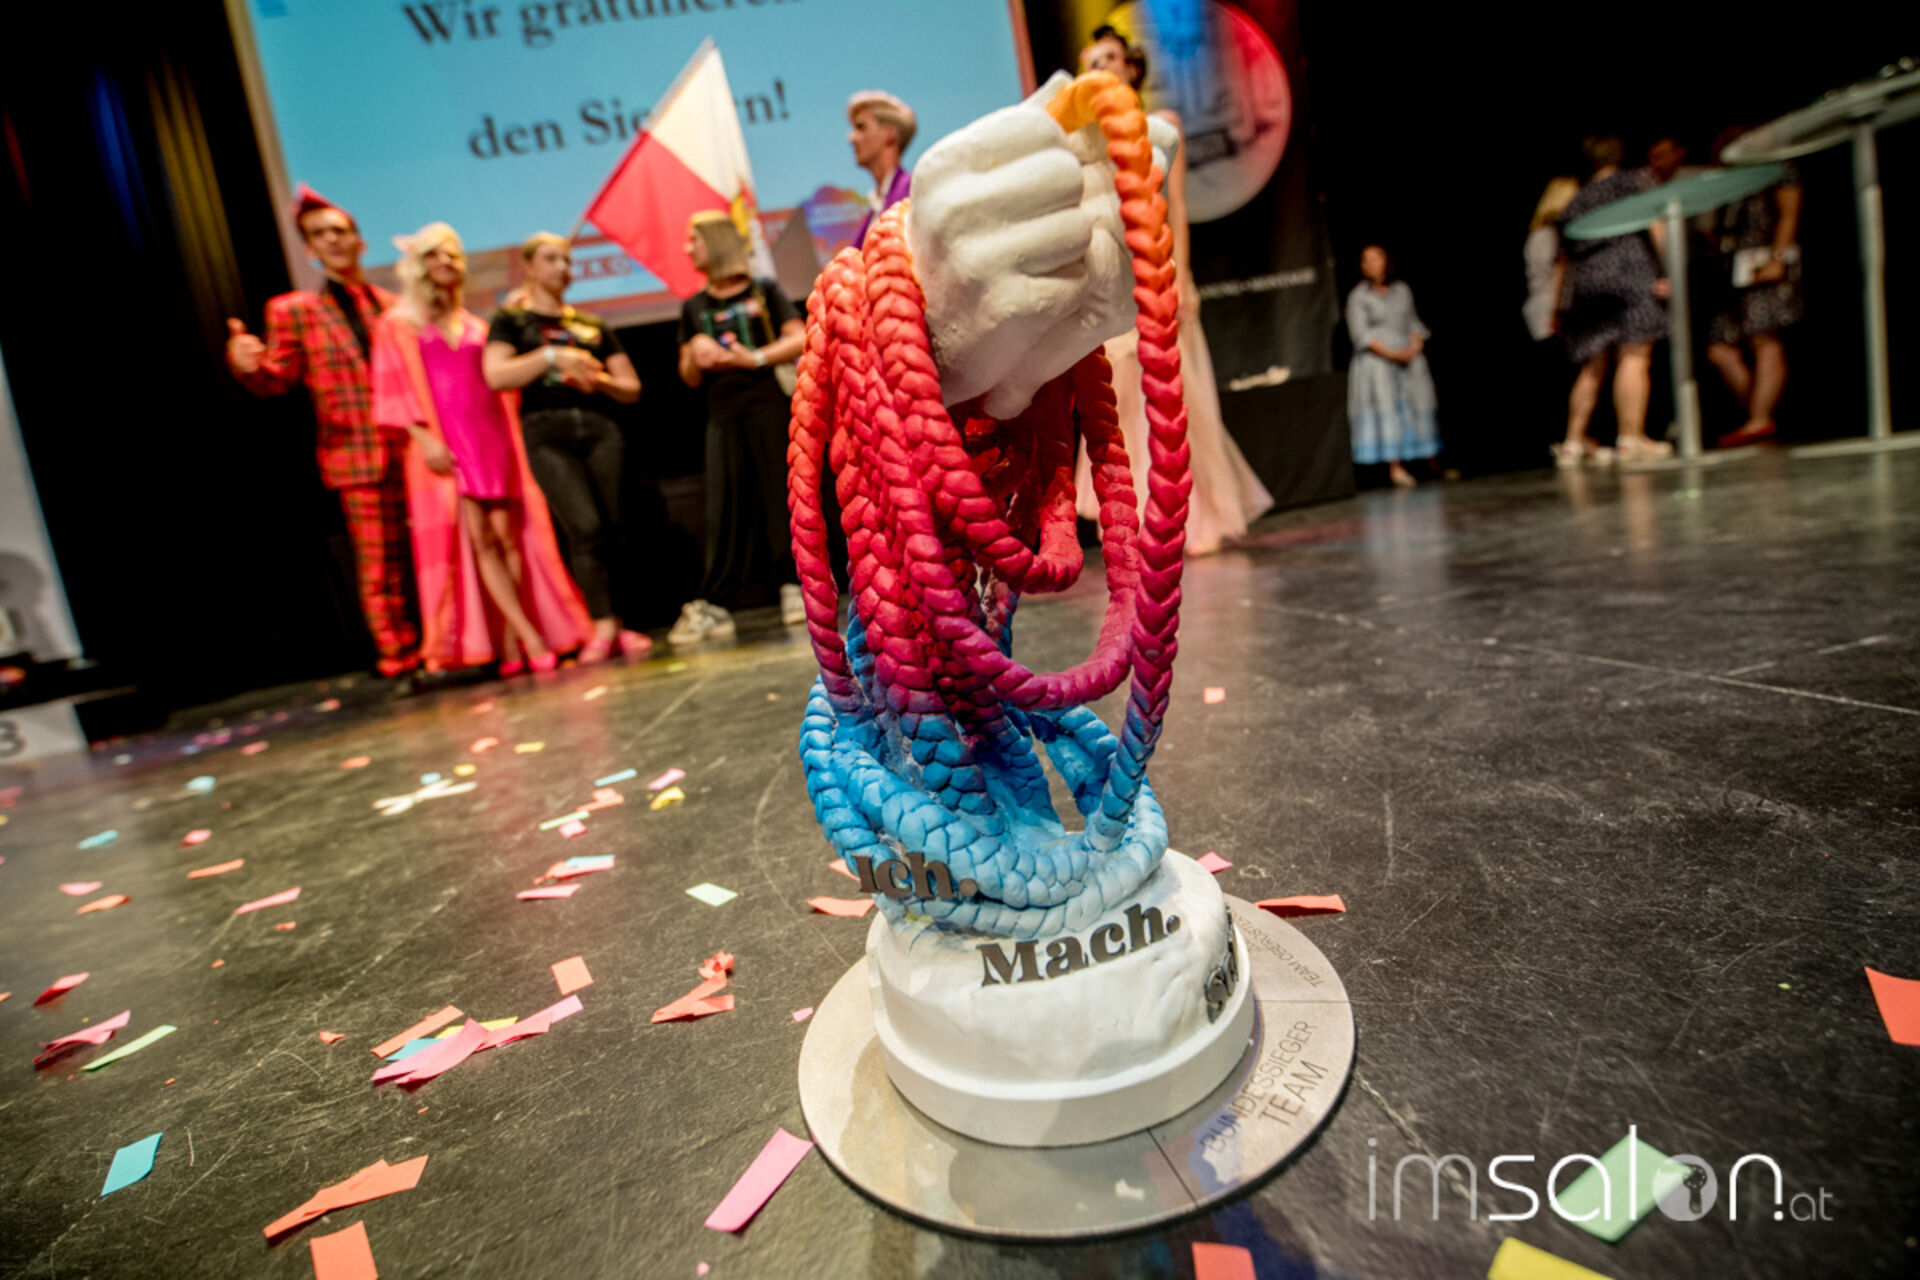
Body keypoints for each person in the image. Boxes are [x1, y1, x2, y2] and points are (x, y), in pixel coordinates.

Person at [1070, 25, 1272, 553]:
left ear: (1131, 66)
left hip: (1155, 268)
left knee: (1170, 395)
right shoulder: (1086, 142)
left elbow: (1176, 206)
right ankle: (1137, 522)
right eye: (1093, 62)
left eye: (1110, 58)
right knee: (1121, 399)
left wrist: (1182, 276)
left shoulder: (1161, 125)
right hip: (1111, 277)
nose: (1101, 68)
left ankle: (1191, 517)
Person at [370, 223, 592, 674]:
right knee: (479, 540)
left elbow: (501, 381)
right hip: (446, 444)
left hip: (491, 438)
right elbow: (394, 391)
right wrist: (424, 440)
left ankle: (511, 641)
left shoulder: (477, 326)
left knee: (509, 540)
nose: (446, 262)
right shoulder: (398, 325)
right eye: (435, 254)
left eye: (453, 254)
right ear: (419, 264)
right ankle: (530, 638)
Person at [226, 187, 419, 678]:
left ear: (359, 241)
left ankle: (447, 642)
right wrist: (246, 365)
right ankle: (397, 653)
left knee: (437, 551)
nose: (332, 240)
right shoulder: (296, 310)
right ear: (309, 249)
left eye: (339, 231)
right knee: (380, 565)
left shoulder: (394, 306)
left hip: (416, 448)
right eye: (319, 234)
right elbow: (276, 378)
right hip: (357, 454)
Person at [483, 233, 651, 662]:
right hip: (547, 431)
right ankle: (601, 625)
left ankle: (622, 624)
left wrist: (598, 379)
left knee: (612, 526)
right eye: (551, 259)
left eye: (567, 260)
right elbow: (496, 374)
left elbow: (631, 386)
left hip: (598, 428)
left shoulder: (592, 325)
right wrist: (550, 358)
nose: (563, 268)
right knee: (585, 526)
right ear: (528, 267)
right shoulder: (512, 321)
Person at [671, 212, 806, 645]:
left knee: (779, 496)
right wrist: (696, 350)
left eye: (694, 239)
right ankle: (717, 602)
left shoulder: (762, 291)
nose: (688, 248)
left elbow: (799, 336)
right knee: (724, 505)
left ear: (715, 241)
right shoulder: (694, 306)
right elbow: (688, 376)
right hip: (723, 412)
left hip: (767, 402)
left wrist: (756, 358)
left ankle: (795, 586)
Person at [1553, 136, 1672, 466]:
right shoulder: (1633, 182)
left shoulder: (1575, 200)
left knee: (1593, 363)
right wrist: (1670, 270)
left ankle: (1573, 442)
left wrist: (1558, 306)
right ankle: (1631, 437)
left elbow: (1563, 260)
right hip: (1629, 271)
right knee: (1635, 354)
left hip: (1587, 282)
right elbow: (1657, 226)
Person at [1703, 135, 1802, 448]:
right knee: (1719, 347)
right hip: (1734, 270)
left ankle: (1759, 419)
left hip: (1765, 262)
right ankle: (1758, 415)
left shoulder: (1777, 169)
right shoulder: (1732, 180)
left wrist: (1778, 257)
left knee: (1764, 338)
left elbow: (1789, 212)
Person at [1345, 245, 1440, 487]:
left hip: (1408, 357)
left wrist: (1414, 347)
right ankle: (1394, 467)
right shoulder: (1358, 297)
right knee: (1387, 410)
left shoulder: (1401, 290)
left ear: (1386, 261)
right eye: (1366, 260)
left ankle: (1429, 461)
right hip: (1378, 362)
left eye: (1376, 258)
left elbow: (1413, 322)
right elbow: (1361, 335)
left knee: (1418, 406)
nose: (1371, 264)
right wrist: (1393, 354)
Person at [848, 91, 915, 249]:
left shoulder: (913, 191)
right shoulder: (873, 210)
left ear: (890, 133)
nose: (851, 138)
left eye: (861, 127)